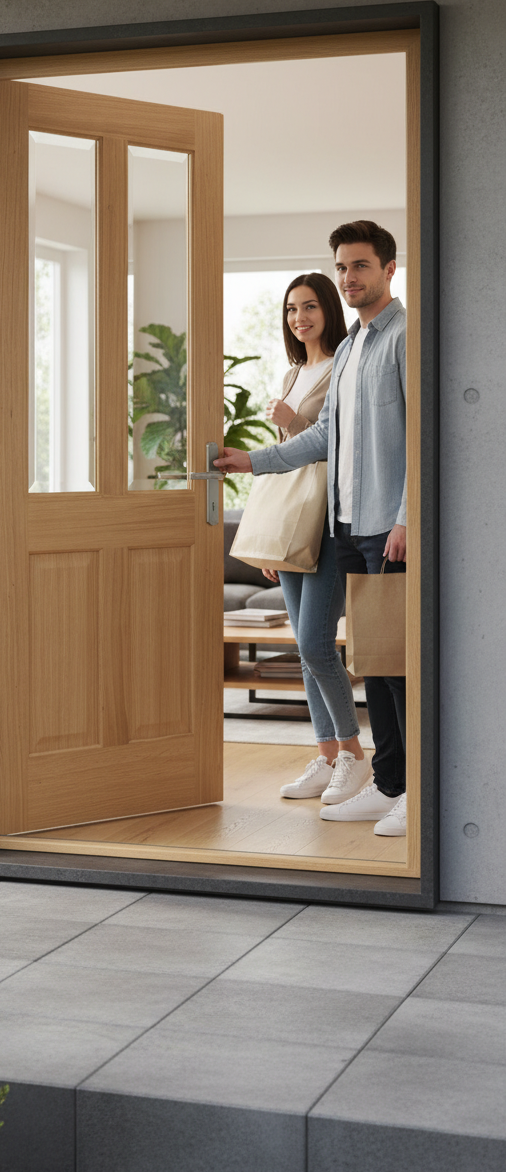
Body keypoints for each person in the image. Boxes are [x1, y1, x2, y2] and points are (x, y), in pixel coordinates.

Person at [215, 221, 407, 838]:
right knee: (372, 660)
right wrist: (252, 460)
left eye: (361, 266)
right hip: (345, 524)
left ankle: (410, 789)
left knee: (395, 662)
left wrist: (407, 516)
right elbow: (326, 436)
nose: (350, 277)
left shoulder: (405, 337)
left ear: (389, 269)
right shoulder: (352, 348)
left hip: (386, 527)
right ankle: (388, 782)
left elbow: (424, 434)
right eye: (343, 266)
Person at [260, 273, 372, 807]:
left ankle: (353, 753)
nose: (299, 318)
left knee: (315, 644)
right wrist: (272, 539)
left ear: (328, 309)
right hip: (293, 521)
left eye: (308, 307)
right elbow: (286, 463)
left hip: (328, 521)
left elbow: (339, 444)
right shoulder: (293, 373)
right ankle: (327, 756)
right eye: (291, 309)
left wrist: (294, 419)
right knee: (306, 652)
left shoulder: (342, 365)